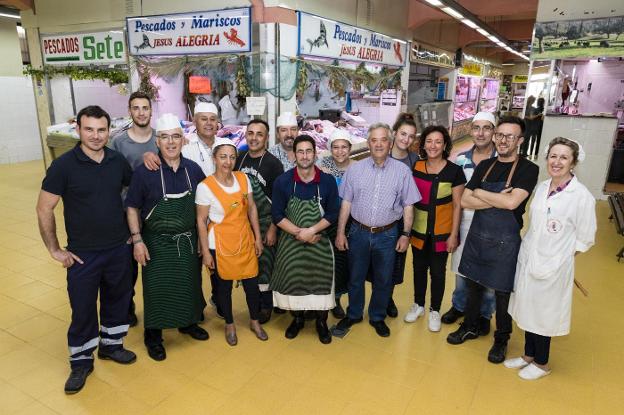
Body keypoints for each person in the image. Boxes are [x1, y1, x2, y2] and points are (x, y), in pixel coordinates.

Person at [36, 105, 136, 394]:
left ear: (109, 131)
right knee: (82, 309)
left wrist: (133, 234)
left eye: (101, 130)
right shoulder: (63, 166)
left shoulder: (117, 161)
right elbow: (44, 208)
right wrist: (55, 250)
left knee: (118, 300)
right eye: (89, 129)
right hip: (82, 255)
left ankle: (111, 345)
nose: (95, 135)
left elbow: (134, 195)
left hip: (118, 248)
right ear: (78, 130)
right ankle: (81, 362)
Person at [447, 116, 539, 365]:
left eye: (510, 136)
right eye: (500, 135)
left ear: (520, 140)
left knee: (501, 293)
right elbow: (465, 200)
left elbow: (512, 203)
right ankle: (469, 326)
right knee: (473, 285)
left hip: (505, 240)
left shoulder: (528, 169)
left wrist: (481, 192)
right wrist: (496, 195)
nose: (503, 140)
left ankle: (501, 339)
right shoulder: (485, 165)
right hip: (478, 236)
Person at [506, 137, 596, 380]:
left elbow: (586, 238)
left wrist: (558, 260)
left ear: (573, 162)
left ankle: (542, 363)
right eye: (553, 156)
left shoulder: (581, 196)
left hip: (555, 266)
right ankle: (528, 355)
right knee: (527, 307)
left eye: (564, 157)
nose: (557, 162)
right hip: (530, 258)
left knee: (543, 313)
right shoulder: (543, 187)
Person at [125, 114, 208, 362]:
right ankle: (153, 335)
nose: (170, 142)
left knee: (189, 285)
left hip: (187, 239)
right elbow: (132, 207)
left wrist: (204, 243)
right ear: (157, 142)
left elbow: (204, 205)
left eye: (175, 137)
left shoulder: (193, 170)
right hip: (156, 242)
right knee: (156, 289)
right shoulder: (144, 172)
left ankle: (188, 323)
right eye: (164, 137)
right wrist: (137, 240)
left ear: (183, 140)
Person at [335, 123, 421, 338]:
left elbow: (409, 205)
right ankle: (354, 313)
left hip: (388, 234)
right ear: (368, 144)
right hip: (358, 232)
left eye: (383, 140)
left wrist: (406, 234)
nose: (379, 144)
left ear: (390, 143)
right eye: (374, 140)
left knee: (384, 279)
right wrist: (340, 232)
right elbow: (346, 202)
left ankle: (377, 316)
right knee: (355, 276)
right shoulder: (355, 169)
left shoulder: (402, 172)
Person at [144, 102, 222, 317]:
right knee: (172, 279)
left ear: (218, 123)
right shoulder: (184, 148)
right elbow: (166, 149)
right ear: (194, 122)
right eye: (203, 118)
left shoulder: (226, 145)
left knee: (198, 276)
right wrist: (148, 155)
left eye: (212, 119)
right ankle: (159, 328)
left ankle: (200, 313)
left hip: (213, 223)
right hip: (180, 228)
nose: (208, 123)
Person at [196, 137, 267, 346]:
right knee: (223, 287)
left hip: (244, 239)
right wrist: (206, 254)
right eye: (222, 157)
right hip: (219, 244)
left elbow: (252, 208)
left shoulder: (243, 179)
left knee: (252, 285)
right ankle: (229, 324)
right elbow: (201, 220)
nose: (227, 161)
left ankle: (254, 321)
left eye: (232, 157)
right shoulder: (205, 187)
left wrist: (257, 237)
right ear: (214, 158)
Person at [271, 135, 339, 344]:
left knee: (320, 281)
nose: (305, 156)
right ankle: (298, 319)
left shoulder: (326, 181)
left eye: (309, 151)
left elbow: (332, 213)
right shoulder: (283, 181)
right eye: (300, 151)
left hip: (319, 241)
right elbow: (277, 215)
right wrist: (300, 233)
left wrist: (312, 231)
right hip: (292, 242)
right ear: (294, 156)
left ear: (315, 154)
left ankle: (321, 322)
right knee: (295, 280)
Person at [442, 112, 498, 335]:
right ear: (471, 131)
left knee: (489, 273)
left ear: (493, 132)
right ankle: (459, 306)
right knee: (461, 269)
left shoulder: (500, 161)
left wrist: (473, 198)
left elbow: (504, 200)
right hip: (464, 222)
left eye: (486, 128)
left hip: (492, 226)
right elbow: (459, 199)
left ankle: (485, 314)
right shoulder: (461, 159)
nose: (481, 133)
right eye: (477, 128)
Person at [405, 126, 465, 331]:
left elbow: (457, 205)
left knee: (438, 273)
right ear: (423, 145)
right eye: (429, 141)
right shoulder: (417, 167)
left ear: (445, 145)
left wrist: (453, 234)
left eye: (438, 141)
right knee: (418, 269)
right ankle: (418, 304)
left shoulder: (454, 171)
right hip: (419, 230)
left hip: (442, 231)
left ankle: (435, 310)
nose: (433, 146)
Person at [110, 90, 158, 327]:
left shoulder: (160, 139)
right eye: (136, 108)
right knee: (127, 269)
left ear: (151, 111)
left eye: (145, 108)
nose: (141, 112)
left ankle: (160, 306)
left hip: (154, 215)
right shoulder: (119, 142)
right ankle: (126, 308)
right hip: (126, 214)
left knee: (156, 263)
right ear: (129, 111)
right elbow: (112, 180)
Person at [235, 119, 284, 323]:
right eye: (251, 133)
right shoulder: (239, 158)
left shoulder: (273, 164)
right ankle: (253, 303)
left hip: (265, 221)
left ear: (266, 138)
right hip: (242, 222)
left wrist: (272, 229)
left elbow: (280, 202)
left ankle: (266, 306)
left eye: (259, 134)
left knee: (265, 264)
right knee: (248, 264)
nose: (254, 138)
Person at [317, 129, 356, 319]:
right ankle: (322, 298)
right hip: (326, 222)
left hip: (351, 223)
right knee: (324, 263)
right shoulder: (322, 166)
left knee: (343, 263)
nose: (340, 151)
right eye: (335, 147)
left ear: (350, 148)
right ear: (330, 148)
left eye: (344, 147)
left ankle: (337, 298)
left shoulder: (358, 167)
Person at [386, 112, 419, 318]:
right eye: (403, 134)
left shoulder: (414, 160)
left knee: (395, 263)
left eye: (410, 136)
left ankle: (387, 298)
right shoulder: (381, 154)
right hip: (380, 218)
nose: (406, 139)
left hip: (401, 220)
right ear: (394, 133)